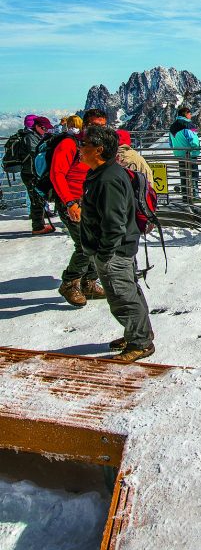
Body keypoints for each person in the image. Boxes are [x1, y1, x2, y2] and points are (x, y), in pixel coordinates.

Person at [79, 125, 155, 363]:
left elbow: (114, 222)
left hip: (115, 250)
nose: (80, 148)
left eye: (85, 145)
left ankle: (140, 343)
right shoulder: (104, 173)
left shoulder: (108, 179)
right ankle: (139, 333)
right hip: (119, 247)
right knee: (129, 291)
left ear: (98, 150)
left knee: (122, 297)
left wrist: (104, 253)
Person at [50, 110, 107, 307]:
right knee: (84, 245)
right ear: (84, 125)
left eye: (102, 125)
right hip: (72, 202)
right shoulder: (69, 145)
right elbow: (57, 174)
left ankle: (88, 282)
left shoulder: (98, 146)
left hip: (91, 202)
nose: (98, 129)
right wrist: (69, 203)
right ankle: (69, 283)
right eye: (94, 125)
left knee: (97, 242)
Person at [19, 116, 54, 235]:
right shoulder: (30, 137)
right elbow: (36, 153)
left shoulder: (34, 136)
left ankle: (40, 224)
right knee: (36, 199)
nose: (46, 131)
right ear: (37, 126)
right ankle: (38, 227)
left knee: (38, 198)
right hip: (30, 173)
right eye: (44, 128)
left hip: (32, 172)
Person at [168, 106, 200, 203]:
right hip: (190, 154)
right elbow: (194, 141)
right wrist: (195, 149)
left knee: (183, 175)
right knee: (194, 175)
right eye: (190, 113)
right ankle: (195, 195)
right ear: (186, 114)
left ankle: (185, 196)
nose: (191, 115)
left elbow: (170, 142)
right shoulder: (189, 125)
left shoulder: (172, 126)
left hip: (179, 154)